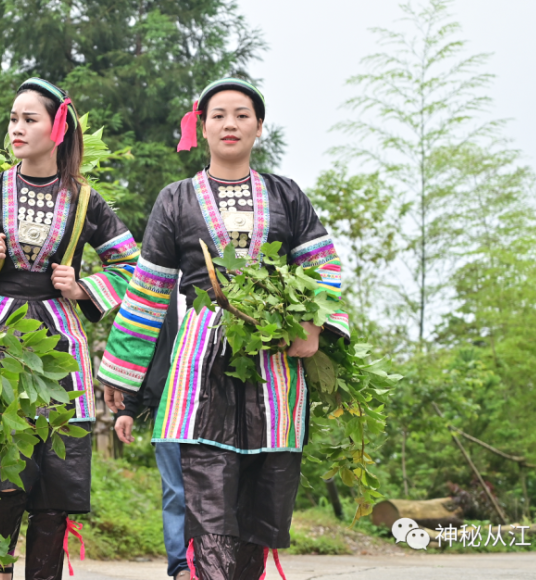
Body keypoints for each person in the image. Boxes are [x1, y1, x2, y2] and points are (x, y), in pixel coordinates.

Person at [96, 79, 349, 580]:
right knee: (207, 499)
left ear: (259, 126)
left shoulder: (287, 195)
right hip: (201, 360)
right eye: (218, 115)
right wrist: (121, 376)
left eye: (241, 114)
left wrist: (313, 327)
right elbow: (147, 292)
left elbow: (323, 267)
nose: (230, 124)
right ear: (201, 126)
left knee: (261, 500)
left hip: (274, 362)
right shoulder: (175, 200)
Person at [0, 78, 139, 580]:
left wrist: (83, 288)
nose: (16, 128)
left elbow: (134, 267)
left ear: (57, 128)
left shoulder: (86, 201)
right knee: (0, 472)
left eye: (29, 119)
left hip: (61, 348)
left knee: (55, 483)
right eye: (13, 118)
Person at [113, 283, 190, 580]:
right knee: (175, 490)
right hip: (168, 401)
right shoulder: (161, 284)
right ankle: (182, 566)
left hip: (217, 400)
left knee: (217, 486)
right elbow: (141, 345)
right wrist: (128, 409)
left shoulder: (227, 271)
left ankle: (218, 561)